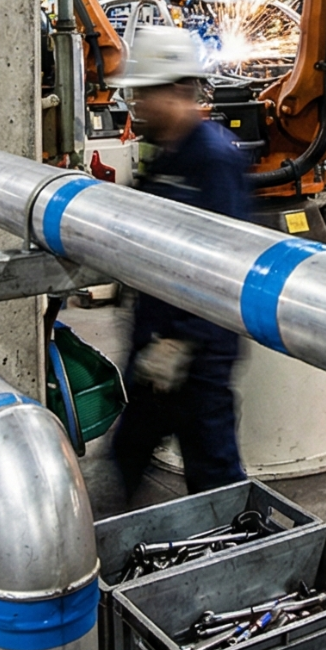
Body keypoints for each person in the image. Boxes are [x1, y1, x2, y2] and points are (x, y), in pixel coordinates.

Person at [107, 26, 252, 496]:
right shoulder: (164, 155)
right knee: (128, 451)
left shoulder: (212, 159)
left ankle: (240, 559)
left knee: (214, 477)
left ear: (177, 90)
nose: (140, 105)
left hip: (198, 355)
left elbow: (224, 263)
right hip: (154, 341)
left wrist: (182, 343)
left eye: (146, 93)